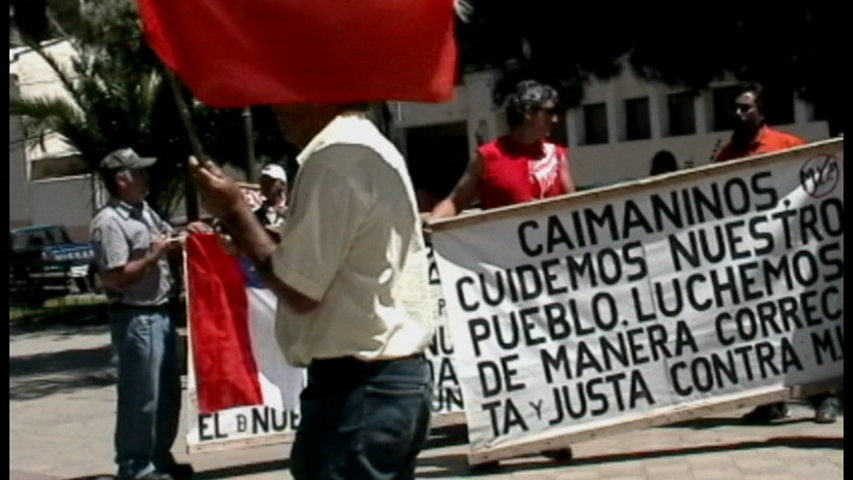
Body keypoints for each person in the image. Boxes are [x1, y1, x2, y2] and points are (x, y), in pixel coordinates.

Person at [189, 103, 433, 480]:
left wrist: (234, 210)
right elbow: (331, 254)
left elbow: (299, 289)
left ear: (321, 95)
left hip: (359, 389)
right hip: (389, 381)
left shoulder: (333, 162)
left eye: (287, 94)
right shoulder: (369, 146)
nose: (277, 108)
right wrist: (253, 236)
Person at [715, 84, 838, 425]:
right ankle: (771, 401)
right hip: (753, 265)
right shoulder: (727, 156)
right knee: (760, 331)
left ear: (762, 113)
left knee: (805, 325)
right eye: (734, 108)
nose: (738, 114)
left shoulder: (786, 145)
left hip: (794, 257)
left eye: (745, 108)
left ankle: (824, 395)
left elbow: (820, 177)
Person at [90, 148, 206, 480]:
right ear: (121, 179)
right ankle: (135, 465)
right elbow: (115, 276)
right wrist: (154, 257)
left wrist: (186, 234)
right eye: (138, 172)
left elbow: (167, 237)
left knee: (167, 394)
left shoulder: (145, 213)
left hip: (161, 312)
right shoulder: (110, 222)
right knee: (142, 395)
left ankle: (159, 457)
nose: (146, 177)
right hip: (136, 316)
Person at [430, 79, 575, 220]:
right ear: (529, 112)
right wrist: (432, 223)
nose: (555, 119)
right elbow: (455, 201)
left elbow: (575, 207)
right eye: (550, 112)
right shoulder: (488, 156)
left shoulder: (557, 155)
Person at [254, 163, 289, 228]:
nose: (266, 184)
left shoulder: (292, 209)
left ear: (282, 184)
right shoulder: (256, 216)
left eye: (271, 181)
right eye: (263, 181)